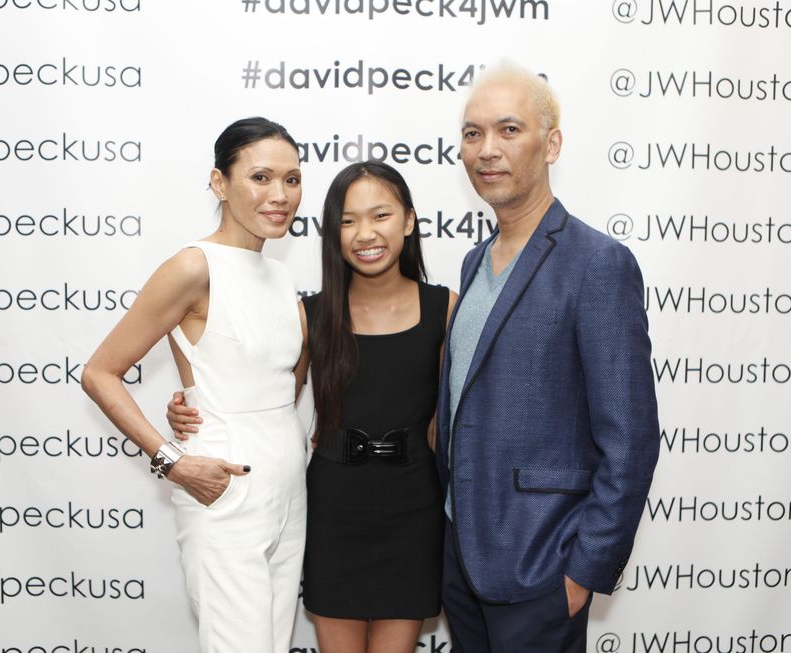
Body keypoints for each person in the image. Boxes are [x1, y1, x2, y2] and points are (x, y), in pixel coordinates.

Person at [170, 161, 456, 653]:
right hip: (334, 507)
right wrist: (194, 403)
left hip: (414, 507)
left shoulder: (444, 308)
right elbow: (266, 396)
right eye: (347, 221)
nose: (365, 233)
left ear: (408, 221)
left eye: (380, 215)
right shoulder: (311, 315)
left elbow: (455, 416)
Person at [435, 65, 660, 652]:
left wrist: (583, 571)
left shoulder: (597, 264)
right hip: (463, 558)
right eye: (472, 133)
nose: (487, 150)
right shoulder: (472, 262)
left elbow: (631, 436)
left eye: (509, 129)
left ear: (551, 142)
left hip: (541, 563)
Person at [81, 116, 309, 653]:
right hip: (224, 479)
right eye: (261, 177)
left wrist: (195, 400)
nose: (280, 195)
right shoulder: (193, 266)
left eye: (292, 179)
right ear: (219, 183)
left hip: (287, 482)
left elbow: (283, 380)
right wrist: (172, 460)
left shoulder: (280, 275)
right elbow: (99, 372)